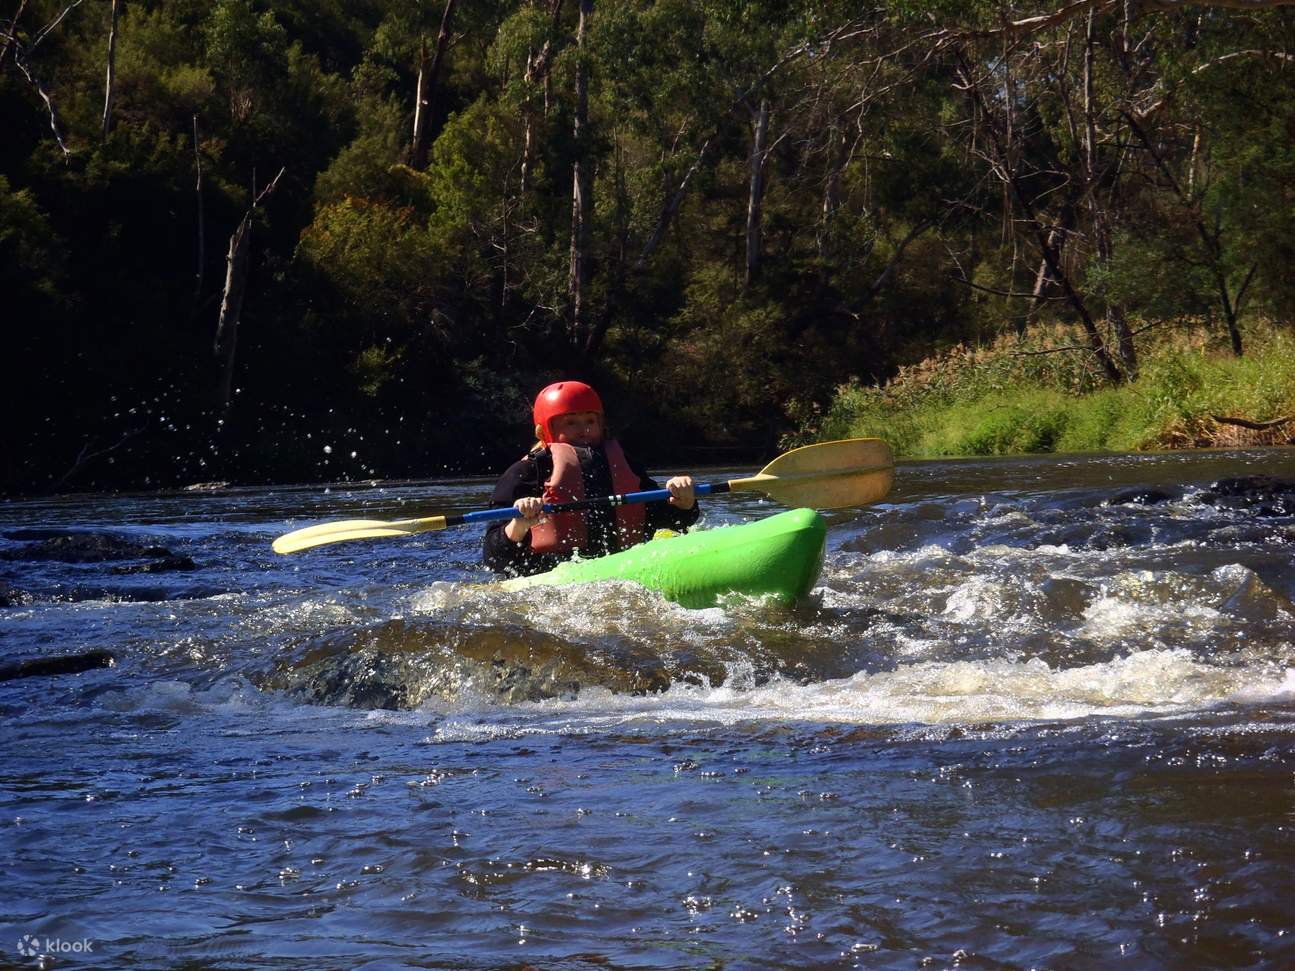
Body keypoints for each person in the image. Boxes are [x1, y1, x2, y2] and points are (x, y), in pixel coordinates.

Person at [483, 381, 699, 576]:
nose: (584, 429)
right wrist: (518, 525)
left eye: (590, 420)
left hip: (624, 564)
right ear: (543, 430)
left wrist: (684, 502)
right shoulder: (525, 472)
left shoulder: (623, 463)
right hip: (550, 573)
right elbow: (493, 557)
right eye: (571, 423)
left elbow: (666, 520)